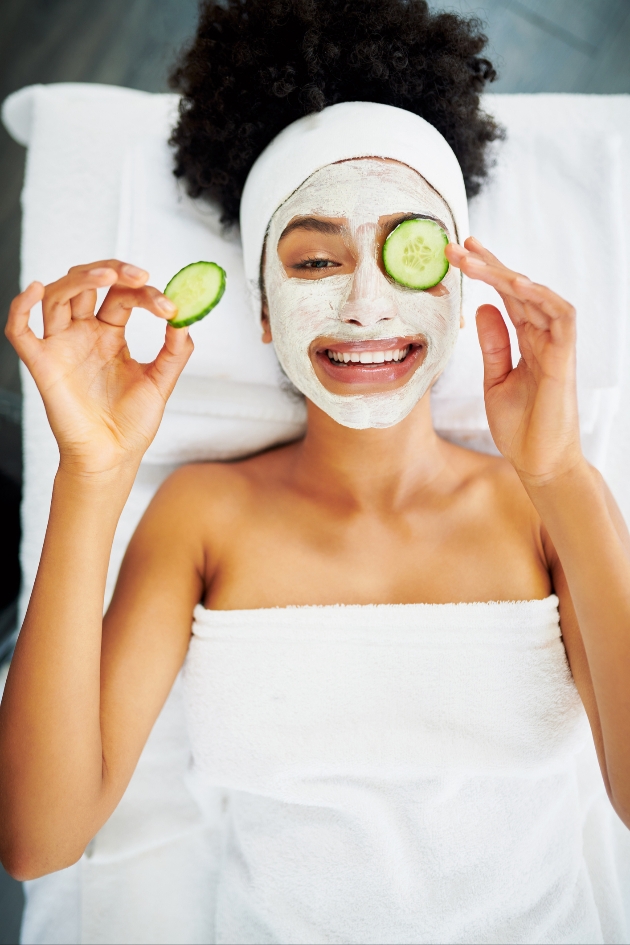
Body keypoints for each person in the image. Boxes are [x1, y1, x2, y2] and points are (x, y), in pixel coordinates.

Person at [1, 1, 629, 942]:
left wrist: (564, 471)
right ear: (262, 311)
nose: (366, 305)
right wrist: (91, 472)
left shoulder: (549, 503)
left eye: (409, 255)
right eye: (317, 260)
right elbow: (38, 841)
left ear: (461, 288)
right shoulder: (203, 515)